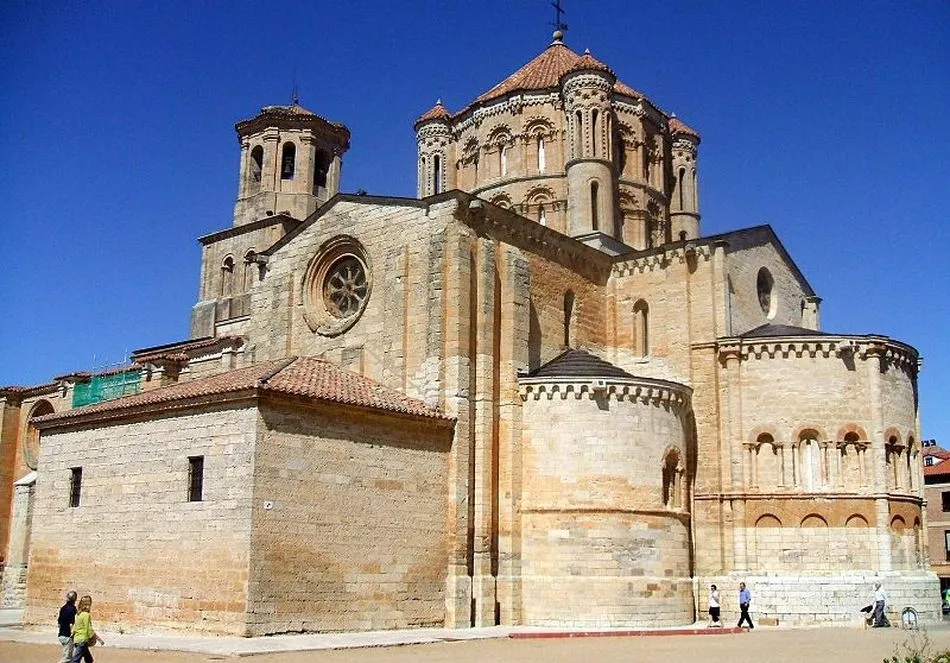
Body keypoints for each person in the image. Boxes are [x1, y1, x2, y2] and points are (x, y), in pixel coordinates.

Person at [70, 595, 104, 663]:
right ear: (88, 605)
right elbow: (88, 629)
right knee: (76, 660)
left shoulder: (79, 614)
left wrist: (72, 635)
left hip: (78, 639)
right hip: (82, 640)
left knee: (89, 659)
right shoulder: (86, 615)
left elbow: (75, 626)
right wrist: (95, 639)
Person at [57, 590, 78, 663]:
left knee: (69, 657)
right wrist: (72, 635)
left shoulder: (63, 608)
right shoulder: (73, 609)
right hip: (67, 636)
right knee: (67, 658)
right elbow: (72, 624)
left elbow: (59, 623)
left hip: (61, 635)